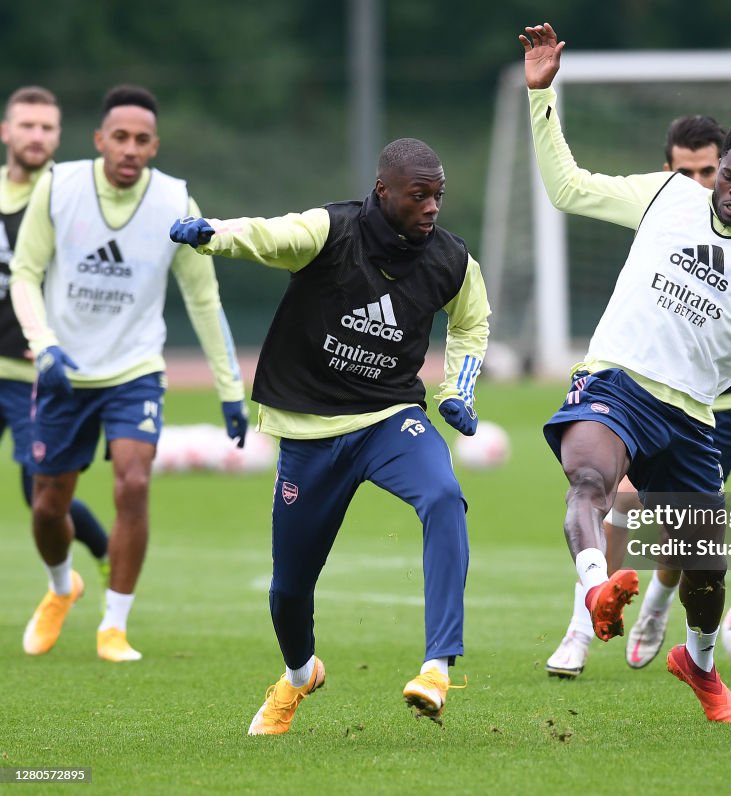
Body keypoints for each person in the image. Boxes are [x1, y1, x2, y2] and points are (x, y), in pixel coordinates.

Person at [521, 22, 731, 722]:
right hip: (618, 380)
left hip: (693, 413)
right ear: (717, 166)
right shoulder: (669, 196)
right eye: (727, 175)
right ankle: (592, 596)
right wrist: (542, 98)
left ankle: (697, 664)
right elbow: (569, 189)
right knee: (589, 480)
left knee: (705, 571)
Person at [170, 137, 489, 735]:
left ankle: (438, 666)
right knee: (288, 591)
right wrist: (214, 233)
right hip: (310, 432)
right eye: (418, 196)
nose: (431, 208)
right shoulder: (332, 230)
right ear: (383, 191)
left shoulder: (451, 260)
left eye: (438, 197)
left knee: (444, 496)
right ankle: (297, 676)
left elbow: (471, 323)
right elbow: (271, 236)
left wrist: (458, 390)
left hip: (389, 418)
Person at [544, 116, 731, 678]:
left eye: (715, 170)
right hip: (636, 390)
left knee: (688, 545)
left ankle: (660, 611)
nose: (718, 185)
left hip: (720, 409)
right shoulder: (665, 210)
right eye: (698, 174)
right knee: (616, 499)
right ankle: (583, 627)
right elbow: (569, 187)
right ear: (671, 172)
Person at [11, 85, 247, 663]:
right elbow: (25, 273)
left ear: (155, 146)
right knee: (46, 505)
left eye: (142, 140)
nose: (130, 149)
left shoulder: (175, 201)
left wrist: (230, 388)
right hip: (64, 369)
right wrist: (43, 346)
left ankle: (114, 626)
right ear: (99, 140)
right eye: (120, 137)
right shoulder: (58, 187)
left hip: (136, 370)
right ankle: (63, 585)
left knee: (135, 484)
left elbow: (203, 299)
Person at [1, 86, 109, 581]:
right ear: (7, 131)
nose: (36, 135)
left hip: (36, 374)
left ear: (59, 136)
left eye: (46, 127)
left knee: (40, 495)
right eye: (27, 125)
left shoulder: (70, 200)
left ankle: (106, 554)